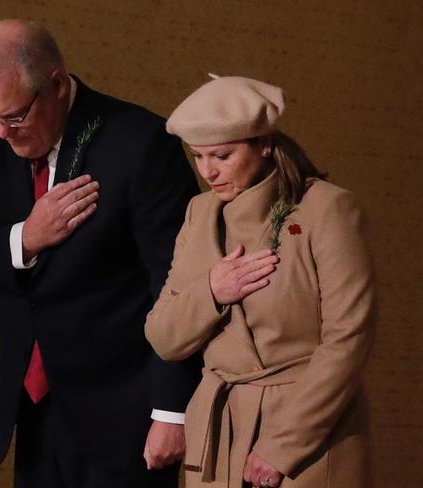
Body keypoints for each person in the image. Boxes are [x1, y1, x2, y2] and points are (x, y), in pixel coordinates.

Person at [0, 19, 201, 488]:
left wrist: (172, 412)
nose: (2, 134)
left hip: (127, 415)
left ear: (56, 84)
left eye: (14, 117)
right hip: (32, 413)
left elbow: (177, 284)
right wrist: (25, 238)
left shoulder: (141, 143)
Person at [145, 76, 375, 488]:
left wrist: (283, 445)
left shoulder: (327, 209)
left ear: (264, 143)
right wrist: (213, 291)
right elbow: (163, 336)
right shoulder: (199, 213)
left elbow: (348, 340)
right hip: (218, 439)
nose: (207, 171)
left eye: (222, 155)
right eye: (197, 156)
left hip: (308, 437)